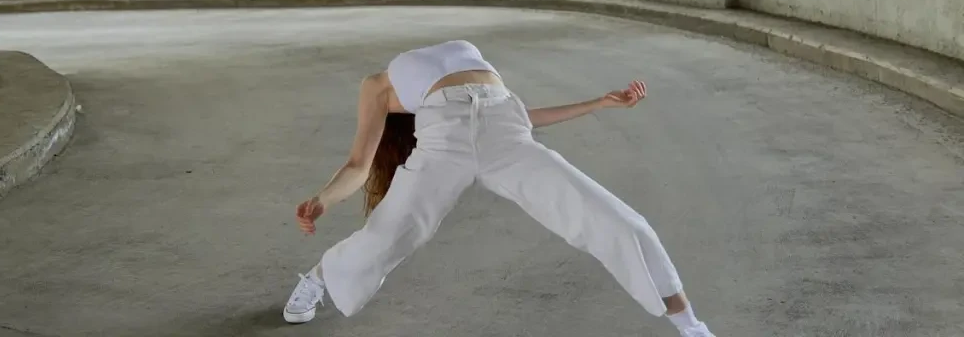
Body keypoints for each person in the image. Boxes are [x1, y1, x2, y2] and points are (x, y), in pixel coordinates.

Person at [282, 40, 715, 337]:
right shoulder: (377, 86)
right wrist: (320, 200)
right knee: (390, 234)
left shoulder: (455, 65)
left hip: (506, 126)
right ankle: (319, 276)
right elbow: (359, 165)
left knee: (609, 216)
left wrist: (598, 103)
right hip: (442, 140)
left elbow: (525, 116)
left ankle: (690, 326)